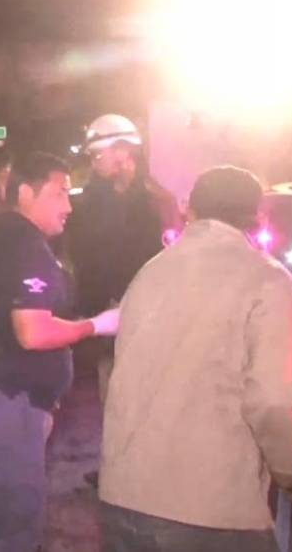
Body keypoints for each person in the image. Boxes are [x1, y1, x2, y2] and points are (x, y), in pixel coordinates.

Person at [99, 165, 292, 551]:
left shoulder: (149, 273)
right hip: (210, 517)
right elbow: (275, 401)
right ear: (259, 218)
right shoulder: (268, 282)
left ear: (190, 213)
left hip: (122, 502)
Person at [0, 152, 120, 552]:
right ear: (26, 192)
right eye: (60, 193)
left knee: (5, 520)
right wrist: (99, 325)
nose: (69, 205)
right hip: (4, 408)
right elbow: (32, 331)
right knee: (16, 528)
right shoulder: (22, 242)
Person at [66, 114, 181, 404]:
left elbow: (175, 264)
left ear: (122, 151)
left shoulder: (158, 204)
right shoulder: (85, 205)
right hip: (107, 323)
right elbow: (81, 259)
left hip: (152, 322)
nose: (93, 163)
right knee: (114, 402)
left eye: (97, 155)